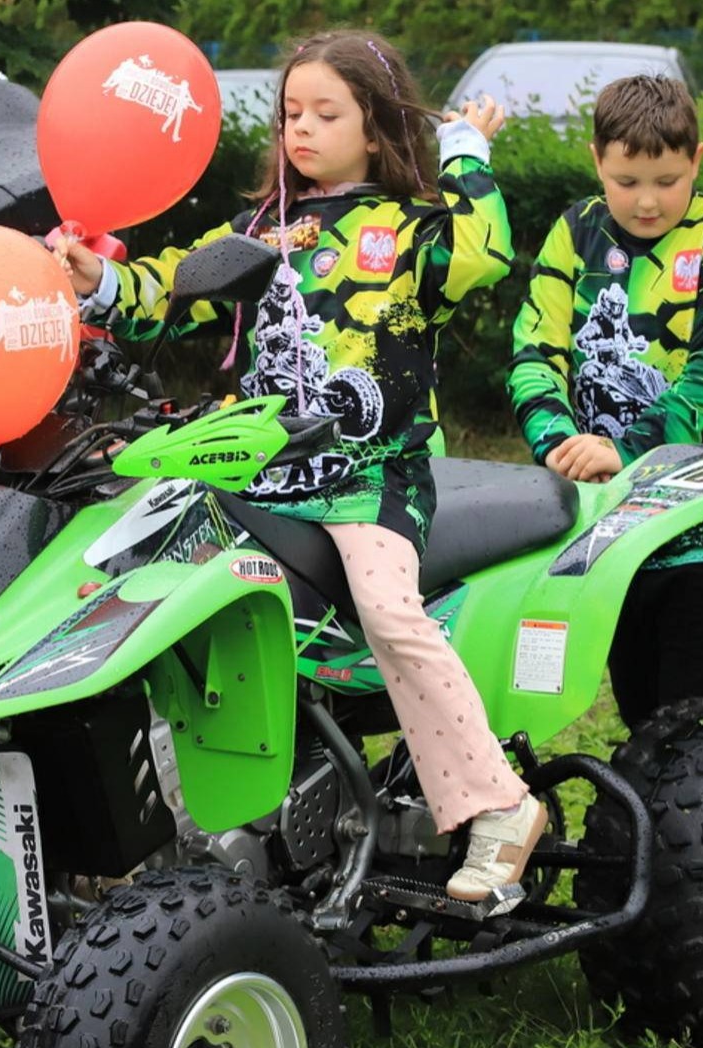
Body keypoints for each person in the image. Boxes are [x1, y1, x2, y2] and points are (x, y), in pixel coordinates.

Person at [59, 29, 545, 902]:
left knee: (392, 617)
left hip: (370, 481)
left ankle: (499, 807)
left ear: (380, 125)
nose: (303, 130)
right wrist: (98, 280)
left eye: (329, 113)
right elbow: (169, 287)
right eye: (291, 114)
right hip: (260, 481)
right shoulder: (261, 230)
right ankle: (163, 826)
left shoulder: (409, 227)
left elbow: (484, 255)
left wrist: (468, 155)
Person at [506, 74, 703, 733]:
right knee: (642, 715)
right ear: (597, 159)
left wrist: (623, 450)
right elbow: (534, 350)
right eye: (627, 182)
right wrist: (562, 447)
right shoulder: (575, 232)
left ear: (698, 161)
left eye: (668, 180)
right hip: (612, 525)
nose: (648, 202)